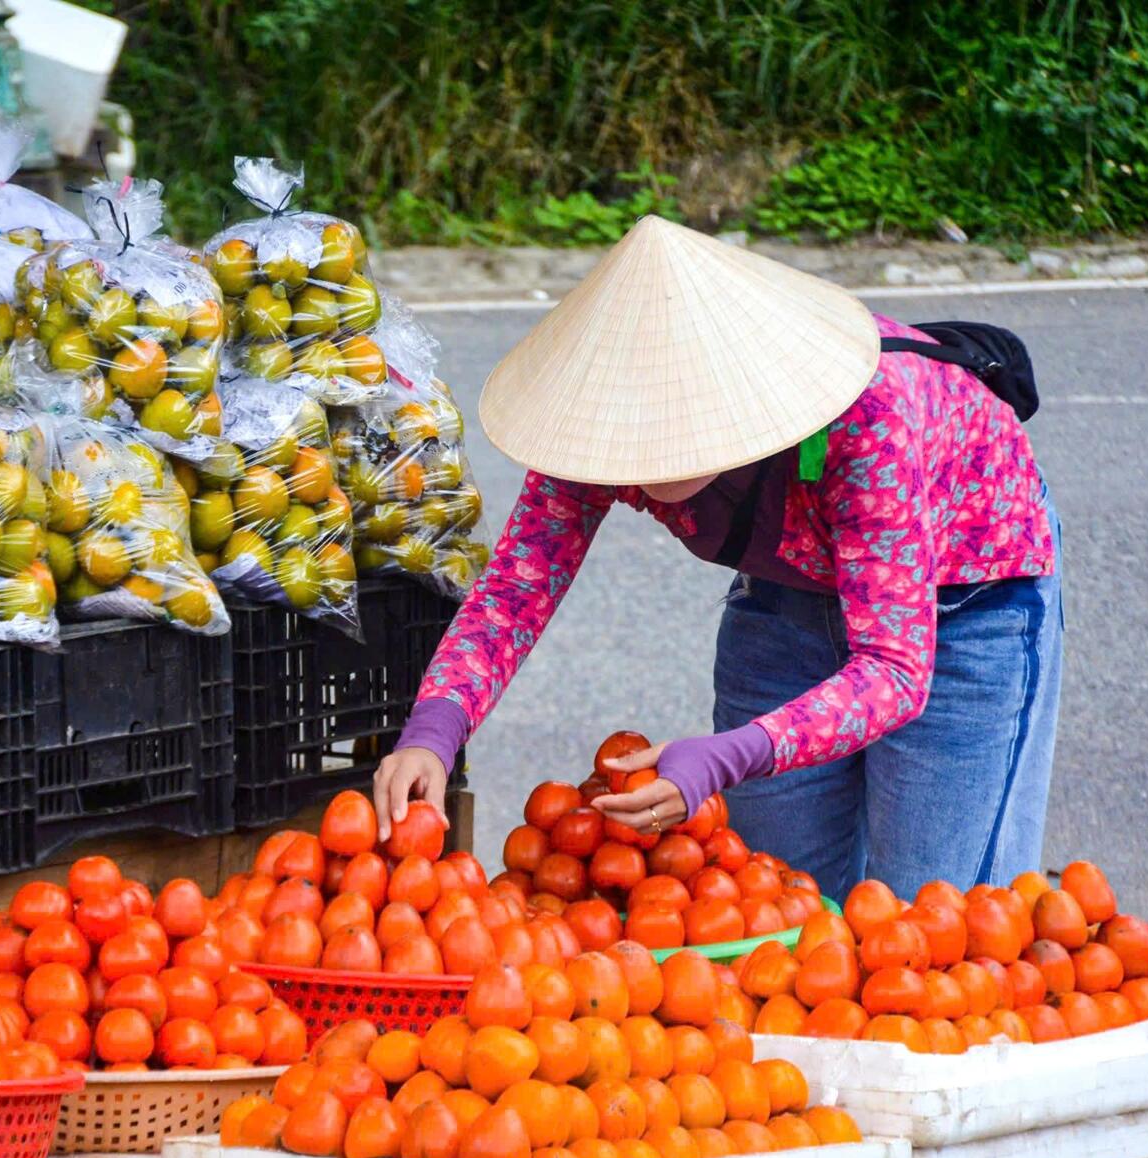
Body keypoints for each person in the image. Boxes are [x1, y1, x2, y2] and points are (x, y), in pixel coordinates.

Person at [371, 216, 1062, 897]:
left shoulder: (865, 416)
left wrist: (727, 757)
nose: (639, 465)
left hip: (964, 600)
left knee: (931, 914)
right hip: (787, 595)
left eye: (670, 434)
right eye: (630, 440)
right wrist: (433, 731)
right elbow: (514, 592)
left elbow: (894, 670)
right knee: (778, 908)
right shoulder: (596, 427)